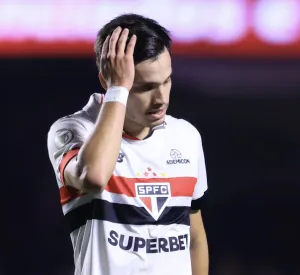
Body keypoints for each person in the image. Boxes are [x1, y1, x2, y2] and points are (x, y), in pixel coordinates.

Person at [46, 13, 209, 275]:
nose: (160, 99)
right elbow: (94, 175)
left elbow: (195, 239)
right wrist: (119, 89)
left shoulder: (186, 136)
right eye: (144, 87)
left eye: (166, 81)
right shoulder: (73, 130)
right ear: (107, 81)